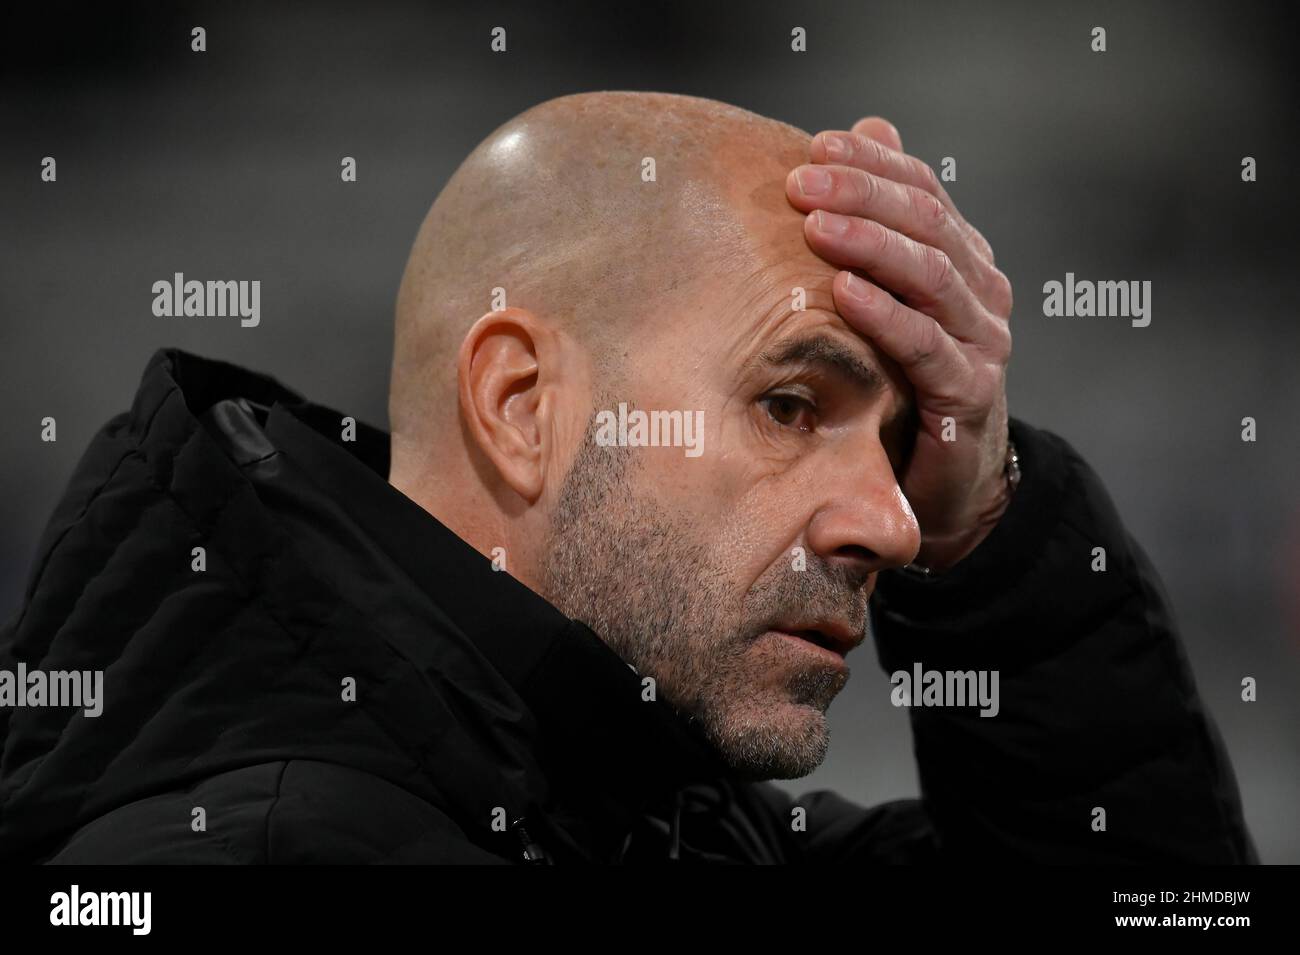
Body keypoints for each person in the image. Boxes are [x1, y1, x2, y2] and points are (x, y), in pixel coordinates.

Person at [0, 92, 1254, 863]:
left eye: (895, 444)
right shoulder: (252, 848)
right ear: (521, 408)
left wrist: (991, 521)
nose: (889, 519)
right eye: (788, 403)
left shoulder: (655, 809)